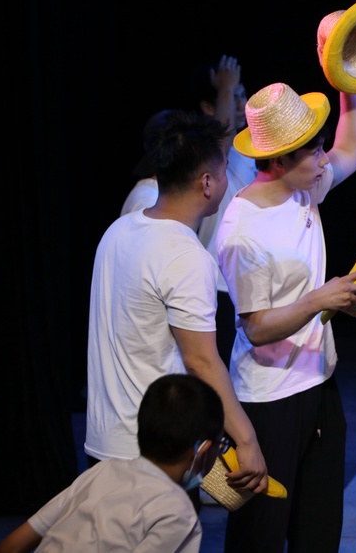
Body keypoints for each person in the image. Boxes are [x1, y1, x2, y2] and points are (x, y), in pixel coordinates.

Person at [84, 109, 269, 508]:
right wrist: (247, 439)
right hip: (154, 456)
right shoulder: (185, 256)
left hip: (104, 445)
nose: (226, 181)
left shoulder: (118, 230)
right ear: (207, 182)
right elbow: (201, 362)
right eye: (224, 171)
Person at [216, 81, 356, 552]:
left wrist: (350, 82)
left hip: (318, 384)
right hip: (269, 401)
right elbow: (256, 328)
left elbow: (352, 147)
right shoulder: (242, 229)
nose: (325, 159)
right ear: (279, 160)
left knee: (317, 530)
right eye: (314, 151)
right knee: (259, 535)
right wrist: (320, 299)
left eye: (321, 148)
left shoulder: (304, 188)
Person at [0, 374, 227, 553]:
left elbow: (11, 546)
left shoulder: (102, 470)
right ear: (203, 449)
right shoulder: (177, 510)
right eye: (220, 444)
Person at [191, 55, 258, 364]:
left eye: (242, 95)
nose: (241, 104)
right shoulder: (204, 154)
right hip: (215, 288)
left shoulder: (248, 153)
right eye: (232, 96)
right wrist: (225, 88)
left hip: (243, 285)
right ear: (210, 106)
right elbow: (221, 137)